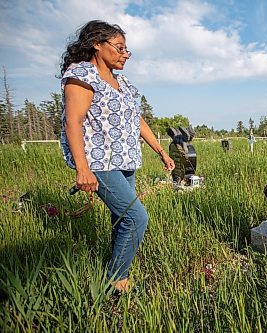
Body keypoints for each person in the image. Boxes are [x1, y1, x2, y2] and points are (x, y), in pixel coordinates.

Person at [59, 20, 175, 293]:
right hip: (99, 162)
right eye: (120, 48)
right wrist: (82, 169)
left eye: (127, 50)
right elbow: (73, 122)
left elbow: (137, 120)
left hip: (125, 160)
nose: (125, 54)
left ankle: (117, 275)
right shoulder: (82, 74)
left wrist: (160, 151)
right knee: (136, 217)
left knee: (122, 219)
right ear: (96, 44)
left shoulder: (122, 81)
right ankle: (115, 282)